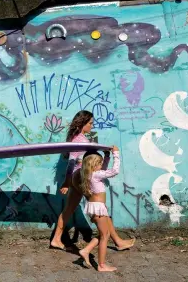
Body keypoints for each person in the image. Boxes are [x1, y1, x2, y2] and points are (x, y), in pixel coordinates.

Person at [49, 110, 134, 251]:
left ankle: (57, 239)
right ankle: (118, 241)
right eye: (90, 123)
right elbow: (71, 161)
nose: (92, 126)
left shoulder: (75, 137)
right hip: (81, 177)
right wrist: (66, 181)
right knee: (101, 209)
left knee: (68, 209)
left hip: (77, 178)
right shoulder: (80, 139)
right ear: (82, 123)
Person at [75, 147, 120, 271]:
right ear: (94, 165)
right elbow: (114, 171)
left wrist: (106, 157)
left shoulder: (89, 174)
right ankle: (101, 265)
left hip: (95, 206)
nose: (101, 165)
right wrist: (116, 154)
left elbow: (103, 169)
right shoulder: (96, 174)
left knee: (104, 233)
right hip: (98, 207)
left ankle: (86, 250)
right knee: (105, 236)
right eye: (99, 163)